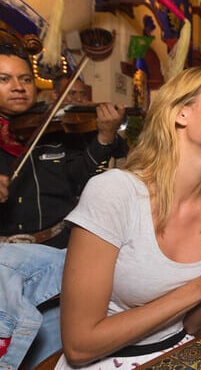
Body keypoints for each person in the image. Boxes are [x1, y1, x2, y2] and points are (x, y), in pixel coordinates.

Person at [55, 66, 201, 369]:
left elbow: (192, 325)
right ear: (181, 113)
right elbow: (79, 346)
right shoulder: (114, 193)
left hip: (179, 354)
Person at [0, 43, 126, 369]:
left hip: (58, 258)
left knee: (54, 356)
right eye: (5, 79)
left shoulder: (56, 128)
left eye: (25, 79)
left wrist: (103, 136)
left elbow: (79, 178)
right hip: (5, 272)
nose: (18, 87)